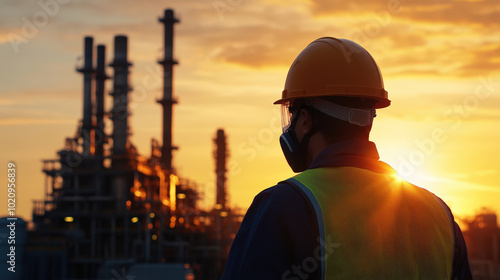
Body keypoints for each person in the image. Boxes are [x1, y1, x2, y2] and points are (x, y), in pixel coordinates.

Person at [221, 37, 473, 279]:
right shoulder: (438, 214)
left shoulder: (283, 206)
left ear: (306, 121)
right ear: (368, 119)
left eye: (293, 115)